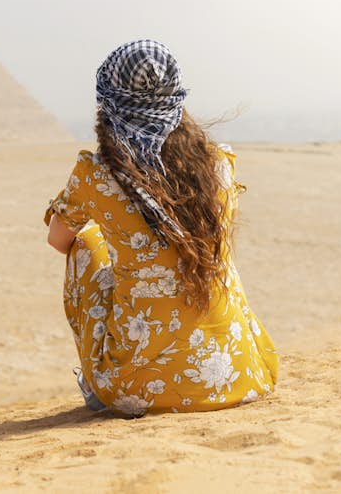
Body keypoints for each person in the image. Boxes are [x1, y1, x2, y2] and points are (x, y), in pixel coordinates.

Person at [44, 40, 278, 417]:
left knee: (86, 241)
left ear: (110, 104)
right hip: (240, 376)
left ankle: (98, 378)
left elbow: (58, 240)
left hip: (136, 390)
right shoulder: (218, 166)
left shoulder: (96, 175)